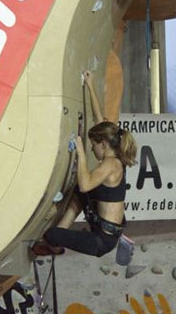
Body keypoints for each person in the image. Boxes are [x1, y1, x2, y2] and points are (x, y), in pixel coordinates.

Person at [32, 70, 137, 260]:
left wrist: (80, 151)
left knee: (51, 235)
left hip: (102, 240)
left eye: (93, 145)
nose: (92, 149)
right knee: (81, 195)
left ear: (104, 145)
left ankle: (54, 243)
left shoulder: (111, 165)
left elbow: (85, 183)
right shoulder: (114, 155)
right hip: (104, 228)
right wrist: (90, 85)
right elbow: (100, 120)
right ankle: (62, 229)